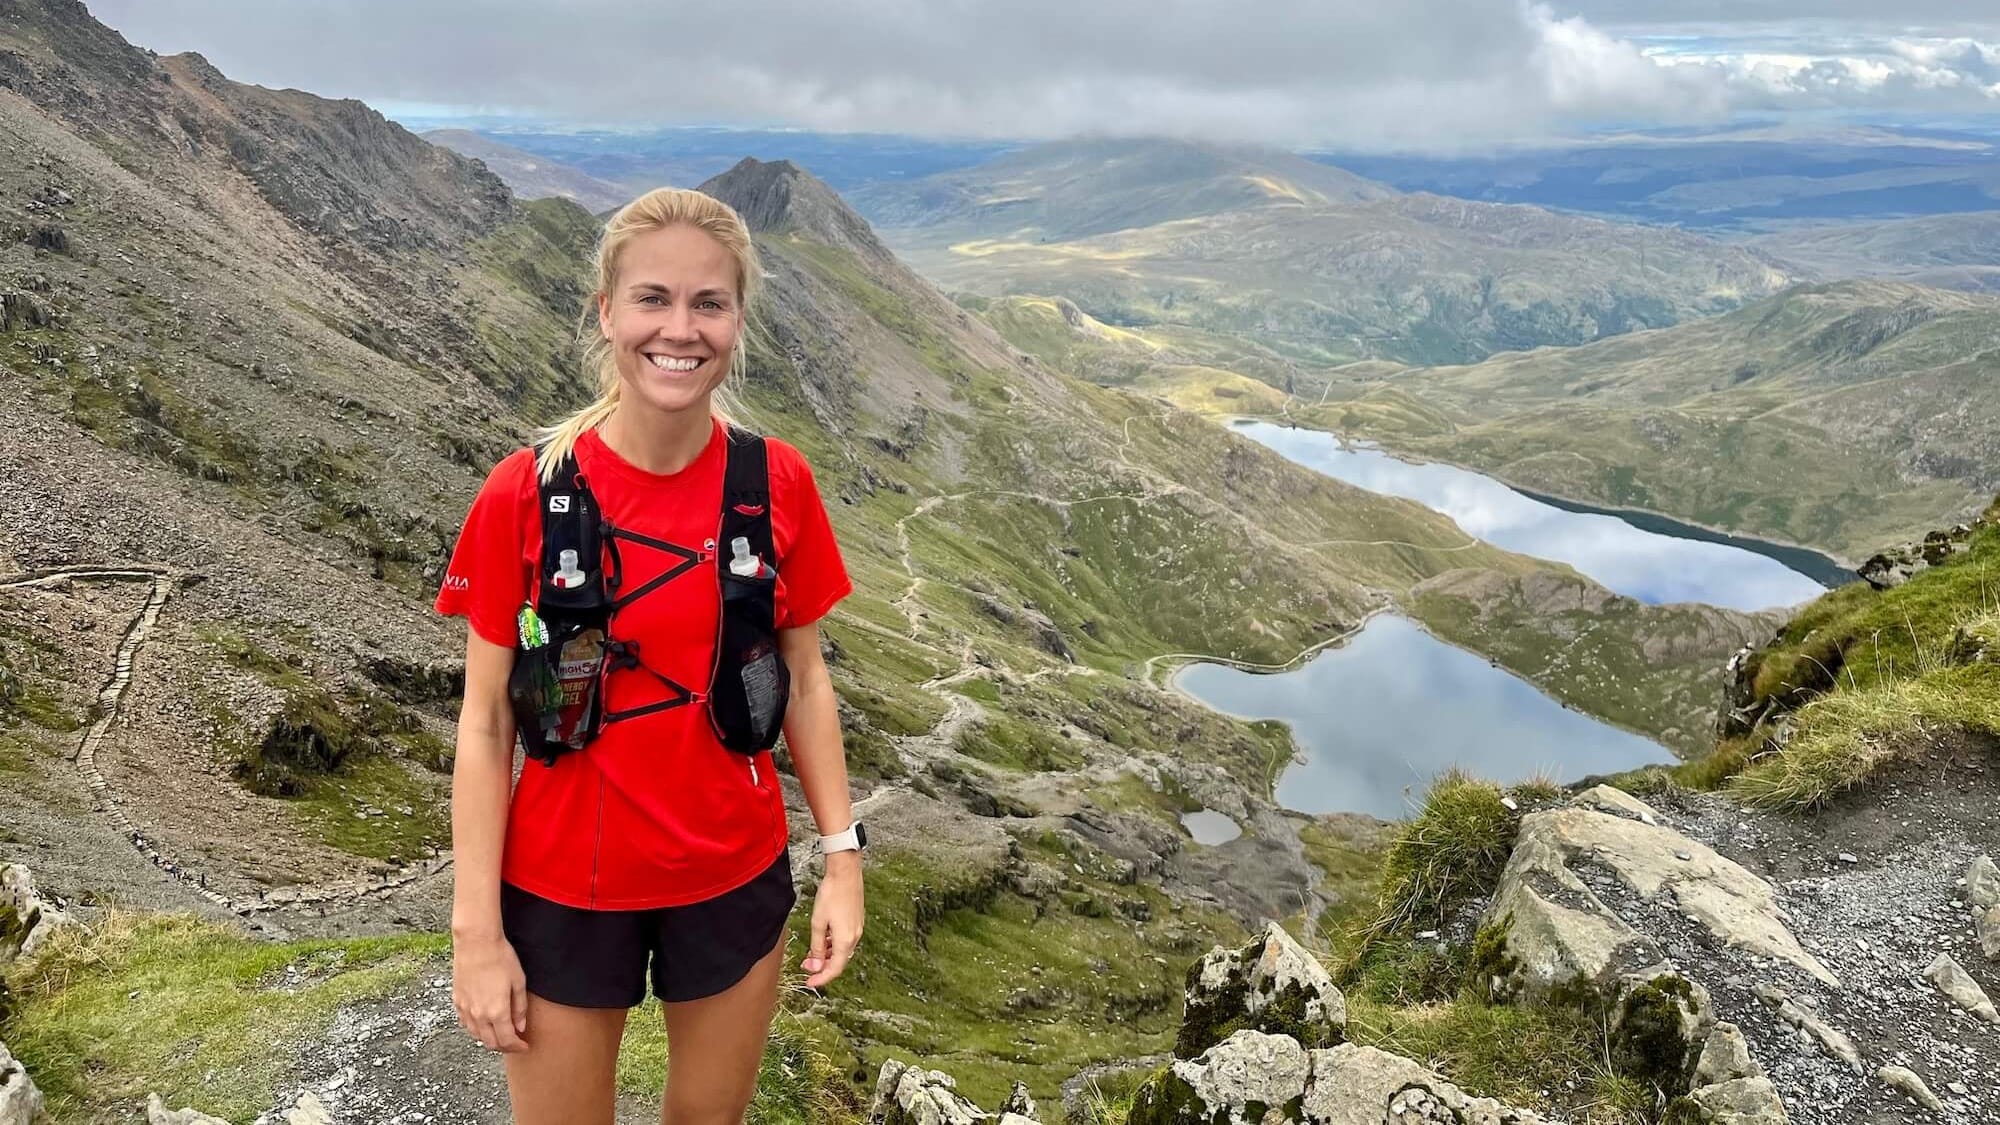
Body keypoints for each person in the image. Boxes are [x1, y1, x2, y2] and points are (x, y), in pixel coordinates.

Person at [433, 187, 864, 1125]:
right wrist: (475, 931)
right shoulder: (524, 493)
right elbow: (486, 719)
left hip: (733, 876)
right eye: (653, 299)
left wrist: (842, 858)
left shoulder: (776, 481)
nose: (681, 329)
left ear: (738, 320)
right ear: (608, 314)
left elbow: (808, 679)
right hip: (557, 888)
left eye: (709, 303)